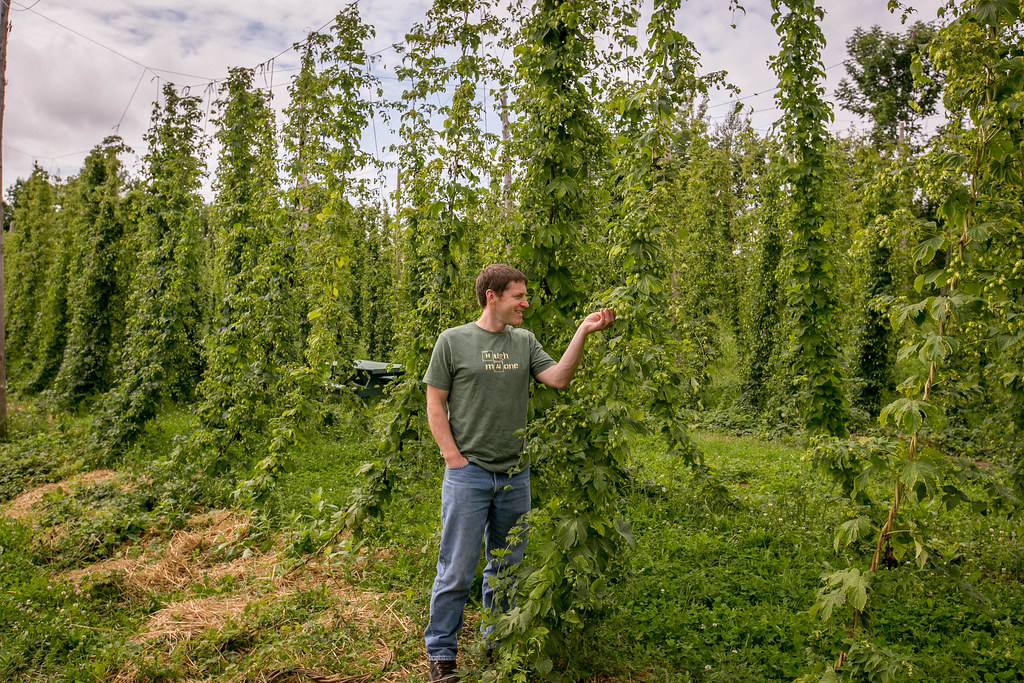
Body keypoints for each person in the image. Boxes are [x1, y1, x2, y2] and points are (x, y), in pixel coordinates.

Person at [422, 263, 615, 681]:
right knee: (456, 569)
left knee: (506, 566)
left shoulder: (524, 341)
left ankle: (497, 642)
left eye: (525, 296)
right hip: (468, 474)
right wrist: (453, 458)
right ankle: (441, 653)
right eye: (518, 296)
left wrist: (583, 331)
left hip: (514, 476)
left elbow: (559, 379)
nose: (526, 303)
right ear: (492, 296)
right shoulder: (453, 342)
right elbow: (435, 403)